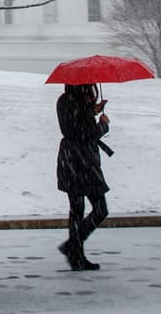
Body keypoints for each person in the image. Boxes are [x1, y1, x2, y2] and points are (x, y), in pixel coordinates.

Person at [56, 83, 110, 270]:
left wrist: (92, 111)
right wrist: (102, 125)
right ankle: (73, 246)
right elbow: (86, 133)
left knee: (76, 211)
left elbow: (74, 125)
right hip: (84, 163)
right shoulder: (78, 103)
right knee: (100, 209)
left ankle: (76, 256)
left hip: (69, 160)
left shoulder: (64, 101)